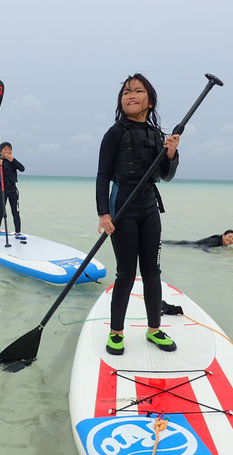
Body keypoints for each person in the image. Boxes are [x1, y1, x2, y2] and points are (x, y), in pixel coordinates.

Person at [96, 73, 180, 356]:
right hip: (122, 209)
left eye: (138, 91)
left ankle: (154, 329)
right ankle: (116, 332)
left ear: (150, 100)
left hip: (149, 208)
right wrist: (103, 213)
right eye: (126, 92)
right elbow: (103, 175)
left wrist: (170, 154)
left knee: (152, 272)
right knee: (126, 273)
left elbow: (165, 176)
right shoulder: (115, 133)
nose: (130, 95)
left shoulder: (157, 135)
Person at [0, 142, 25, 242]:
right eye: (5, 149)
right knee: (0, 212)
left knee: (15, 212)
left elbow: (22, 169)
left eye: (9, 149)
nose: (7, 151)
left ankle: (18, 233)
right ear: (1, 151)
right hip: (2, 191)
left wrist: (13, 160)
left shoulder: (13, 161)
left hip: (13, 191)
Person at [164, 230, 233, 250]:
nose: (230, 239)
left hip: (190, 245)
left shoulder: (222, 244)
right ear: (224, 236)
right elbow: (205, 247)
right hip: (187, 245)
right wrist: (210, 253)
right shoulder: (216, 240)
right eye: (229, 236)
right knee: (167, 244)